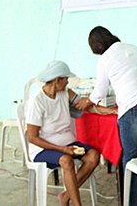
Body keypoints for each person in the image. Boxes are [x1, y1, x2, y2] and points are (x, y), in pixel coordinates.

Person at [75, 26, 137, 206]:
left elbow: (99, 91)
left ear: (98, 46)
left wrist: (88, 101)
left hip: (132, 108)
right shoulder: (135, 48)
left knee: (130, 159)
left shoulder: (105, 58)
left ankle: (131, 203)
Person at [25, 60, 105, 206]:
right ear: (57, 80)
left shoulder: (66, 93)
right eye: (66, 78)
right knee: (66, 161)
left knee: (93, 156)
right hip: (42, 148)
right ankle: (77, 204)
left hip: (66, 144)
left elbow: (84, 106)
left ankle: (65, 196)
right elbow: (32, 137)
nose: (68, 81)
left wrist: (108, 111)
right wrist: (62, 150)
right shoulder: (36, 102)